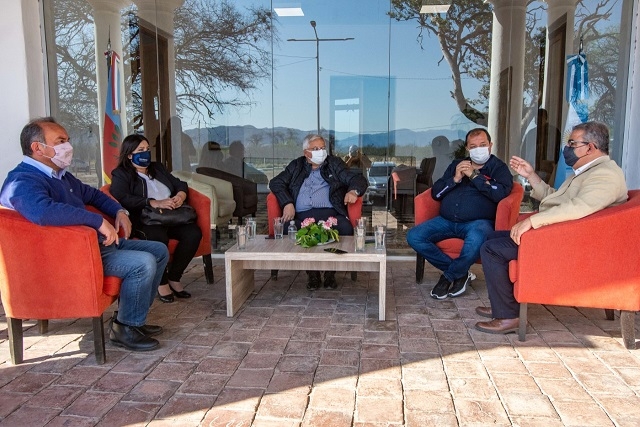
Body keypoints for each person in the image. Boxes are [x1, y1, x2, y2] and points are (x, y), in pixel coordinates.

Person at [0, 117, 168, 351]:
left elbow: (94, 195)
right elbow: (42, 211)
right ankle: (125, 329)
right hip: (73, 258)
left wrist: (119, 211)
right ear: (37, 147)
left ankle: (133, 318)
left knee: (159, 250)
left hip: (95, 246)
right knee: (143, 263)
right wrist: (97, 221)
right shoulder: (22, 180)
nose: (68, 147)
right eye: (60, 141)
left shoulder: (61, 176)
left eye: (67, 140)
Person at [476, 121, 628, 334]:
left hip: (571, 245)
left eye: (572, 143)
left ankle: (508, 316)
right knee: (491, 238)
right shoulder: (586, 171)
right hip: (560, 235)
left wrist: (532, 221)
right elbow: (557, 199)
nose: (567, 148)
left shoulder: (605, 175)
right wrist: (531, 175)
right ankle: (504, 304)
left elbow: (579, 207)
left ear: (590, 147)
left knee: (493, 249)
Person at [406, 128, 513, 300]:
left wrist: (474, 176)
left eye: (482, 145)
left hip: (477, 223)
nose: (478, 149)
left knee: (476, 240)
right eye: (473, 146)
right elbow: (436, 193)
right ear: (467, 148)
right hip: (446, 220)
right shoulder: (457, 164)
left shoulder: (498, 168)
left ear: (490, 145)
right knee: (414, 236)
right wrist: (455, 179)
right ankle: (461, 273)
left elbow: (500, 194)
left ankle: (447, 277)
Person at [111, 134, 202, 303]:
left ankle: (174, 277)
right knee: (158, 239)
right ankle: (162, 282)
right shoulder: (121, 174)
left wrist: (180, 196)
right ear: (129, 155)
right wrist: (152, 202)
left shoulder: (157, 168)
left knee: (193, 233)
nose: (145, 153)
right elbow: (122, 197)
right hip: (146, 219)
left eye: (147, 149)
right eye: (140, 150)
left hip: (170, 216)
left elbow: (180, 184)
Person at [269, 134, 368, 290]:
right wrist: (287, 202)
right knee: (287, 228)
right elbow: (276, 182)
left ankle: (330, 273)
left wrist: (353, 191)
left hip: (330, 216)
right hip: (302, 216)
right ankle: (312, 273)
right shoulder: (296, 166)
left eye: (322, 148)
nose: (320, 152)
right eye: (315, 149)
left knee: (345, 227)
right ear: (306, 153)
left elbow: (358, 179)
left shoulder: (334, 163)